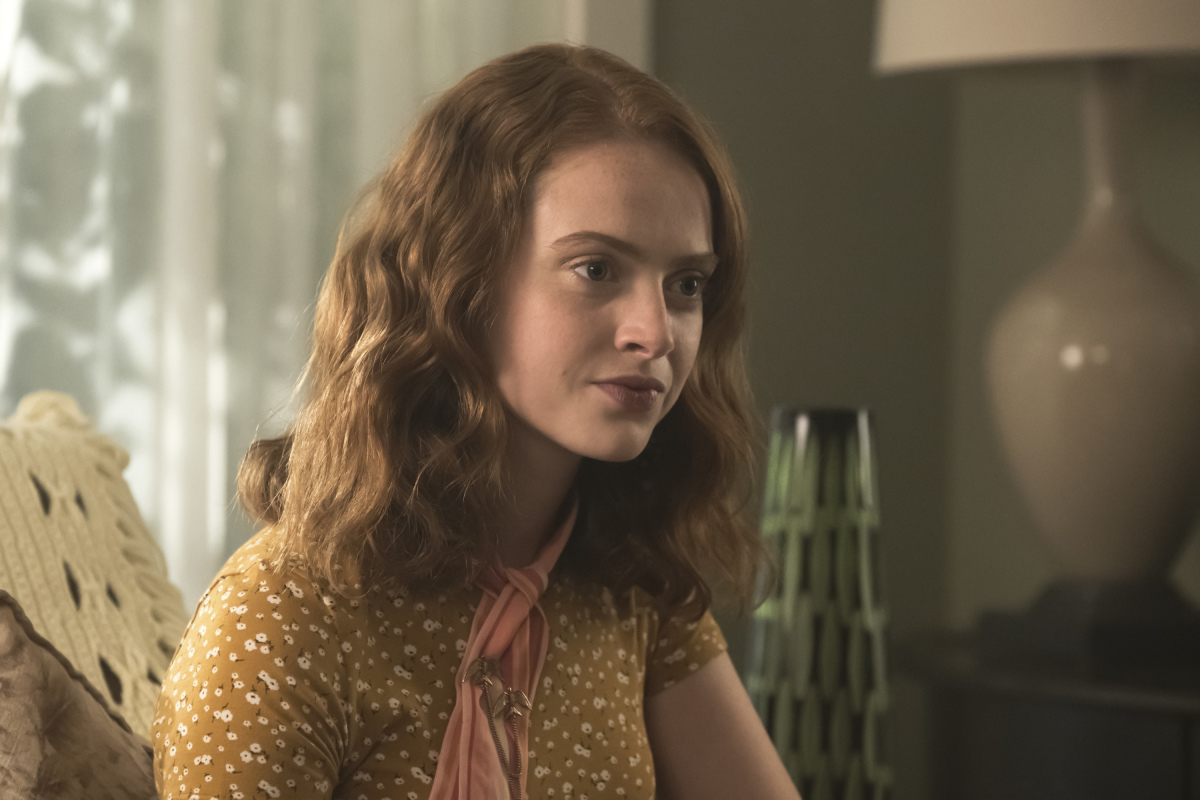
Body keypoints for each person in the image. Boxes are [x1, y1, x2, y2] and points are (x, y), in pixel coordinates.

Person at [152, 43, 800, 800]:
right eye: (596, 269)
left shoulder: (633, 592)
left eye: (686, 285)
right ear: (459, 282)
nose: (655, 333)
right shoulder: (281, 619)